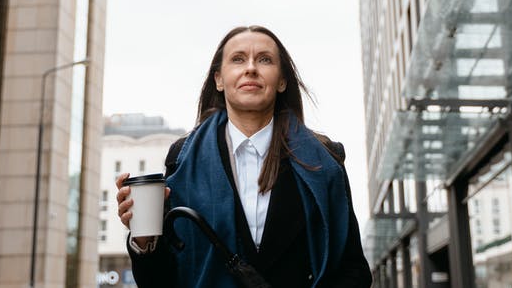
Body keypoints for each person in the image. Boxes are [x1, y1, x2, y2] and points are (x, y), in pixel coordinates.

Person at [115, 25, 373, 288]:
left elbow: (353, 269)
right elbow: (162, 281)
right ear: (219, 79)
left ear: (282, 81)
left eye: (265, 59)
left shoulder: (325, 160)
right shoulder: (181, 159)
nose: (251, 67)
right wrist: (144, 240)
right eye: (238, 59)